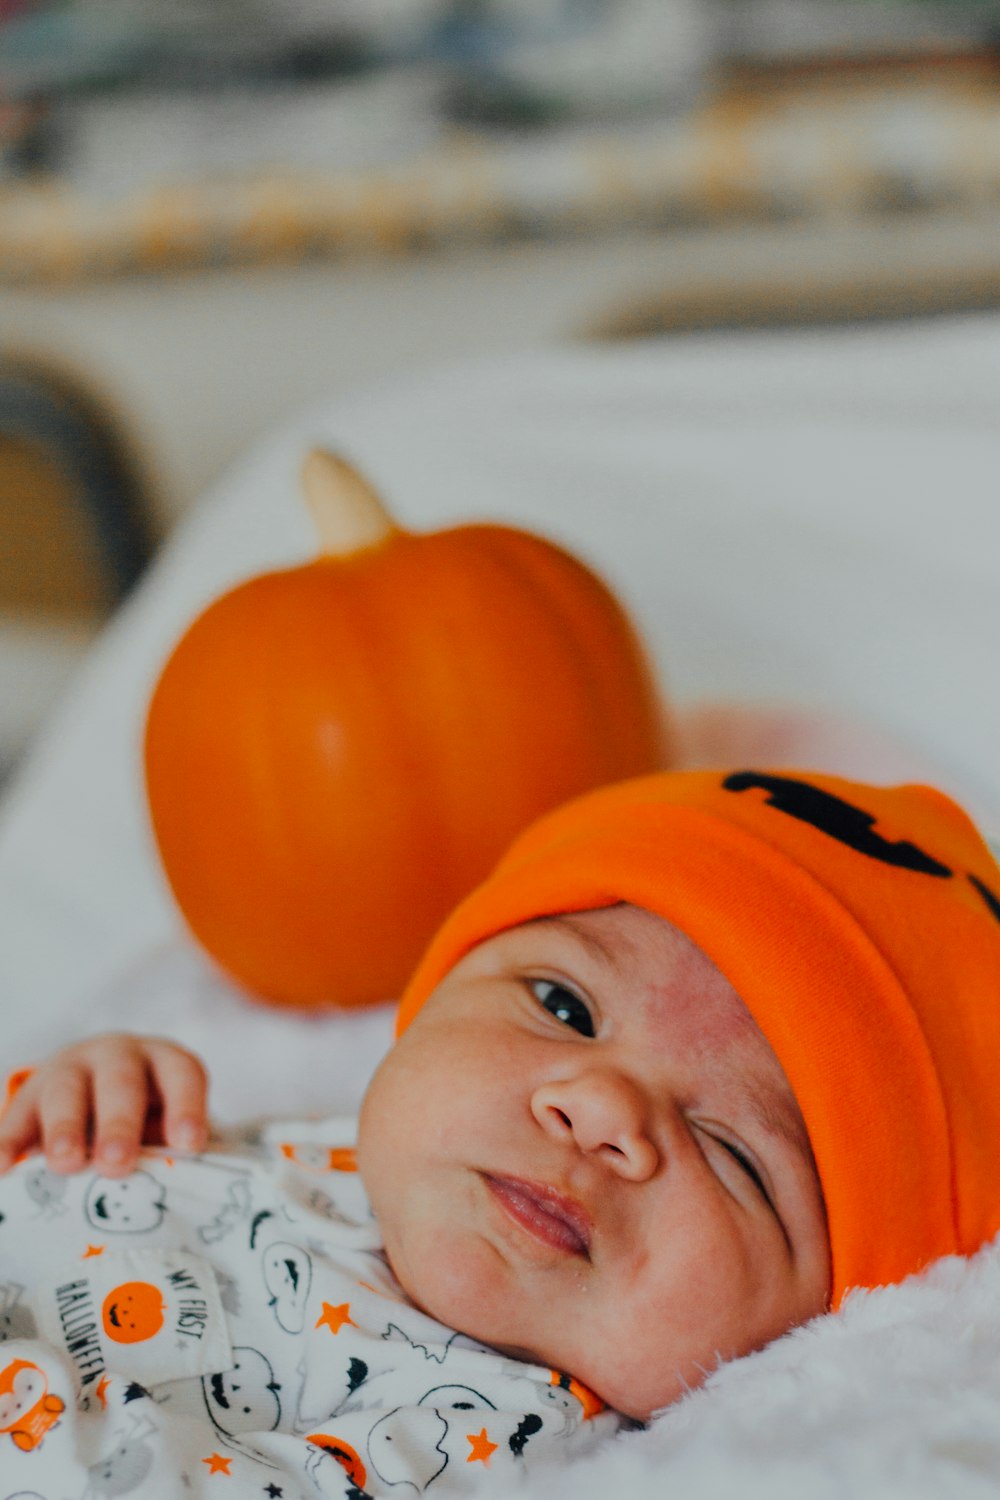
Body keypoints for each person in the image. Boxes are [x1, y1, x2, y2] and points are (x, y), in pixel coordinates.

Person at [1, 768, 998, 1495]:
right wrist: (80, 1105)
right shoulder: (333, 1137)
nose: (601, 1110)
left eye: (736, 1155)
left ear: (829, 1321)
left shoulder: (488, 1432)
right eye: (563, 1007)